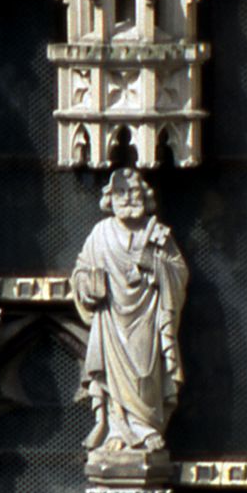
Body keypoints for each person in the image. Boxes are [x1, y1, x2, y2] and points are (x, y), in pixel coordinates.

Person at [71, 168, 189, 453]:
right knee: (113, 375)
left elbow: (179, 272)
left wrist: (155, 265)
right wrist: (88, 284)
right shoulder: (100, 234)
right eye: (120, 192)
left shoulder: (157, 233)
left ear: (145, 197)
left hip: (146, 316)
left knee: (145, 372)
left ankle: (146, 425)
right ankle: (118, 428)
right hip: (111, 317)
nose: (127, 198)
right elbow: (80, 271)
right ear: (110, 199)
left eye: (134, 192)